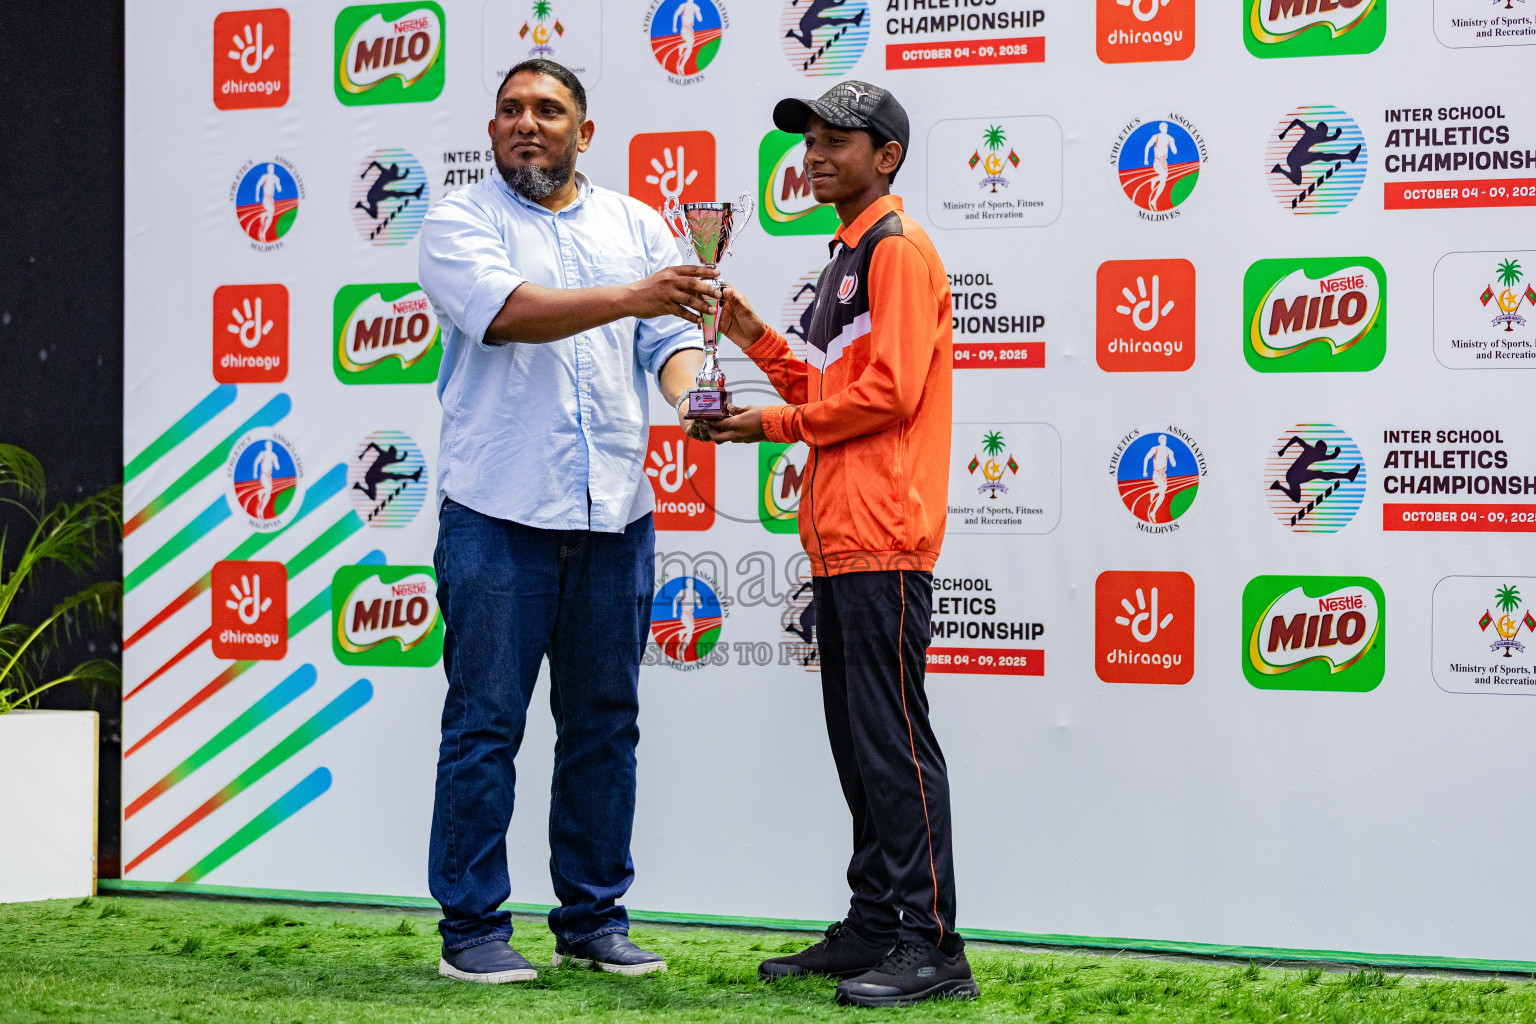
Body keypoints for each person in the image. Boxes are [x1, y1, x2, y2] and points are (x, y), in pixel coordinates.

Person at [416, 58, 719, 985]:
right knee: (484, 727)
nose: (525, 123)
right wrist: (637, 296)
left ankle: (592, 920)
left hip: (615, 514)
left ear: (585, 133)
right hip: (498, 514)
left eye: (548, 110)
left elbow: (667, 341)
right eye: (508, 109)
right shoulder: (458, 221)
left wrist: (696, 400)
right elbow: (508, 315)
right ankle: (472, 930)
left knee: (604, 724)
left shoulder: (638, 223)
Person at [710, 80, 978, 1008]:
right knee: (861, 749)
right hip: (842, 543)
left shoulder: (896, 251)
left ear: (886, 158)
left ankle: (932, 944)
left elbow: (891, 394)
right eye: (811, 140)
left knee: (896, 748)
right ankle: (875, 924)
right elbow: (828, 380)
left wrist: (773, 425)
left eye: (838, 141)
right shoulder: (846, 258)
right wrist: (746, 330)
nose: (815, 154)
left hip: (885, 538)